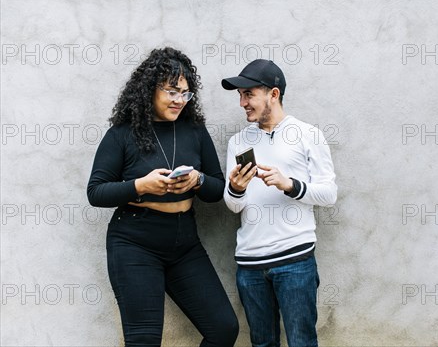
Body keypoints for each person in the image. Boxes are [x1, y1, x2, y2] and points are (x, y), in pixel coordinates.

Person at [87, 47, 239, 347]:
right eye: (171, 91)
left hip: (184, 243)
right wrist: (140, 186)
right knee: (144, 340)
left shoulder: (194, 130)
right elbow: (96, 191)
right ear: (149, 90)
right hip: (135, 243)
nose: (179, 100)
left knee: (223, 328)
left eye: (185, 93)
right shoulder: (122, 134)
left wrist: (198, 180)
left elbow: (217, 189)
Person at [221, 59, 338, 347]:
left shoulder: (309, 135)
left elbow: (329, 194)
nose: (242, 102)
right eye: (240, 95)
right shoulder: (238, 142)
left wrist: (290, 185)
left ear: (273, 94)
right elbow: (234, 205)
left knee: (302, 342)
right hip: (250, 265)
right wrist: (236, 188)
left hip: (295, 262)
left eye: (248, 94)